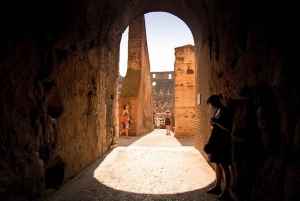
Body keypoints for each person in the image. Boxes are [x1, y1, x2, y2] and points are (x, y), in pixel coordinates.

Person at [204, 94, 233, 200]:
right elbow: (217, 124)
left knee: (224, 165)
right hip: (216, 141)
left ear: (216, 102)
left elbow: (229, 129)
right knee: (217, 163)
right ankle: (217, 186)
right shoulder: (217, 111)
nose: (211, 107)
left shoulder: (226, 111)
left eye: (211, 104)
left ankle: (226, 191)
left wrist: (216, 123)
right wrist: (213, 124)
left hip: (224, 141)